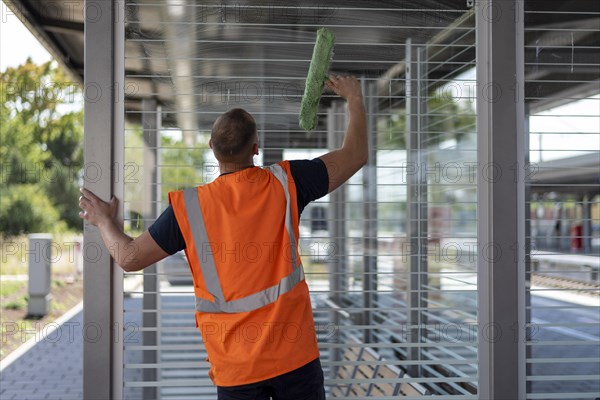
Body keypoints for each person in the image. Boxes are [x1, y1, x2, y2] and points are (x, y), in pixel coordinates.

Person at [78, 74, 367, 399]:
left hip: (236, 366)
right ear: (256, 149)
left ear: (211, 148)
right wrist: (353, 97)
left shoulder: (189, 208)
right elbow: (355, 154)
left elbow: (129, 258)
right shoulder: (287, 183)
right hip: (295, 357)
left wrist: (104, 221)